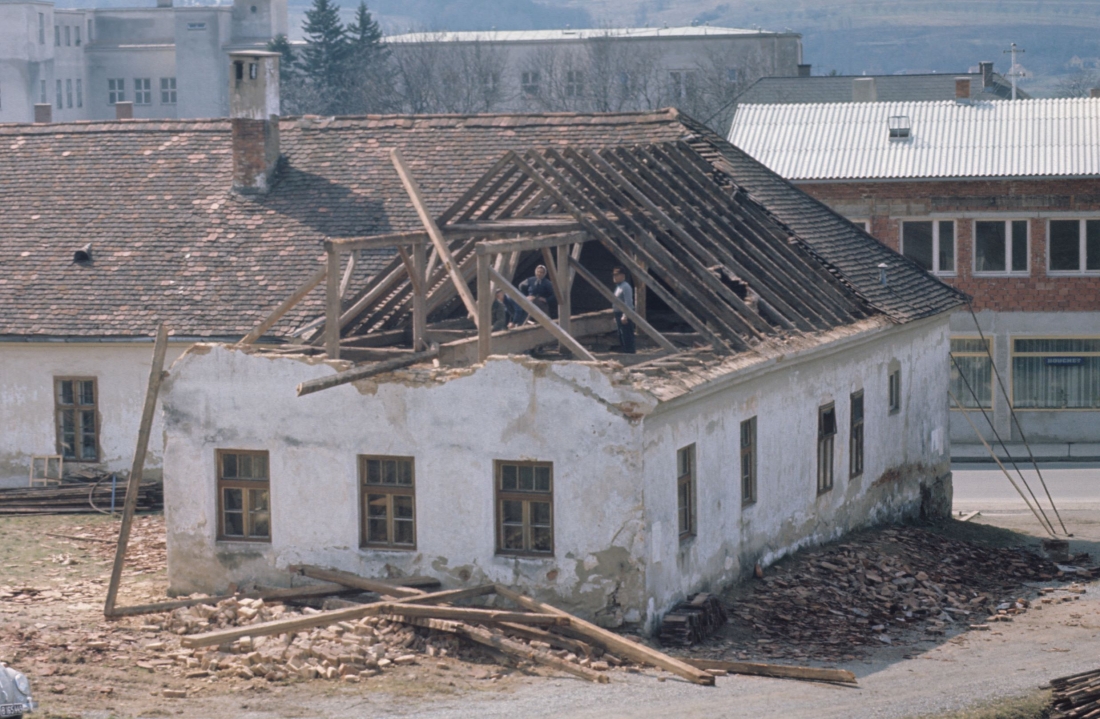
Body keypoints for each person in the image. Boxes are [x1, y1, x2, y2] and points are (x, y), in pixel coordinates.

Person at [612, 267, 636, 354]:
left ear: (622, 276)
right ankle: (625, 352)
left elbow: (628, 302)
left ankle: (630, 353)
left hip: (624, 314)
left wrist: (625, 315)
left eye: (617, 275)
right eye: (614, 275)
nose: (614, 277)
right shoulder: (618, 287)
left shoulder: (626, 287)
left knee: (627, 335)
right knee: (621, 335)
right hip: (618, 313)